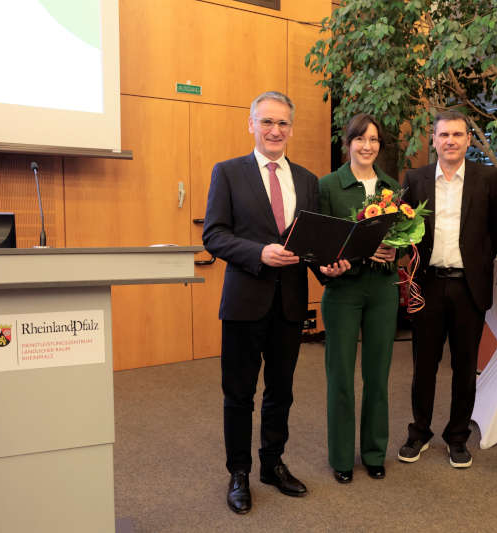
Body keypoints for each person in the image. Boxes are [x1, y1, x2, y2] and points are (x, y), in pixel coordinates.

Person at [203, 91, 348, 515]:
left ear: (291, 129)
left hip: (290, 304)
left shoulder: (306, 180)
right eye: (267, 122)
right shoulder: (228, 173)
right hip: (245, 300)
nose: (275, 130)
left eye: (283, 123)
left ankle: (272, 464)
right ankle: (238, 473)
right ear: (251, 125)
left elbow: (313, 245)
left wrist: (328, 270)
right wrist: (258, 253)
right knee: (239, 394)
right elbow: (214, 234)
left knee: (280, 392)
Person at [397, 110, 497, 468]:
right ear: (434, 138)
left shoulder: (487, 178)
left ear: (468, 140)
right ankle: (419, 432)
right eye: (444, 135)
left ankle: (457, 437)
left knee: (464, 367)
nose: (451, 141)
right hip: (427, 285)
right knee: (423, 365)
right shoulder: (416, 178)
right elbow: (402, 228)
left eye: (458, 135)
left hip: (468, 288)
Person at [318, 113, 399, 484]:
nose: (367, 146)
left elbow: (401, 236)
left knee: (378, 376)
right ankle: (341, 458)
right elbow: (318, 243)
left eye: (374, 140)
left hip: (382, 289)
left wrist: (395, 250)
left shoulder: (391, 187)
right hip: (343, 290)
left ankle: (373, 452)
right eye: (360, 139)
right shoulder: (329, 185)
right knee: (340, 376)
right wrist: (327, 267)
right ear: (347, 143)